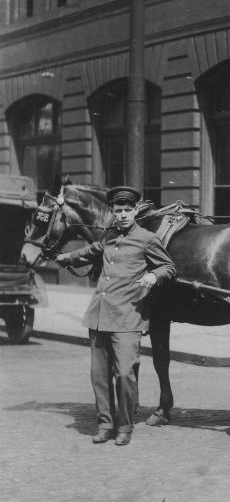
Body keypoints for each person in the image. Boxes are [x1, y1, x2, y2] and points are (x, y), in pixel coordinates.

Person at [55, 185, 176, 447]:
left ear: (135, 211)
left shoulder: (147, 238)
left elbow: (169, 266)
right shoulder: (109, 238)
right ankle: (105, 424)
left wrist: (154, 275)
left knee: (124, 374)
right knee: (99, 376)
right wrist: (66, 257)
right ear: (112, 211)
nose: (122, 215)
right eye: (117, 210)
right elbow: (90, 251)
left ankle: (124, 426)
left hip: (127, 318)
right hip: (99, 316)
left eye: (126, 210)